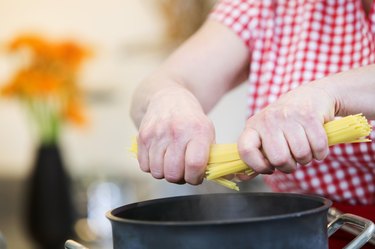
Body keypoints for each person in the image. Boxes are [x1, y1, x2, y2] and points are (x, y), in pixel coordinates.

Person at [130, 0, 375, 248]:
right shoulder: (269, 5)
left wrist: (327, 93)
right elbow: (160, 84)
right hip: (308, 237)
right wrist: (167, 97)